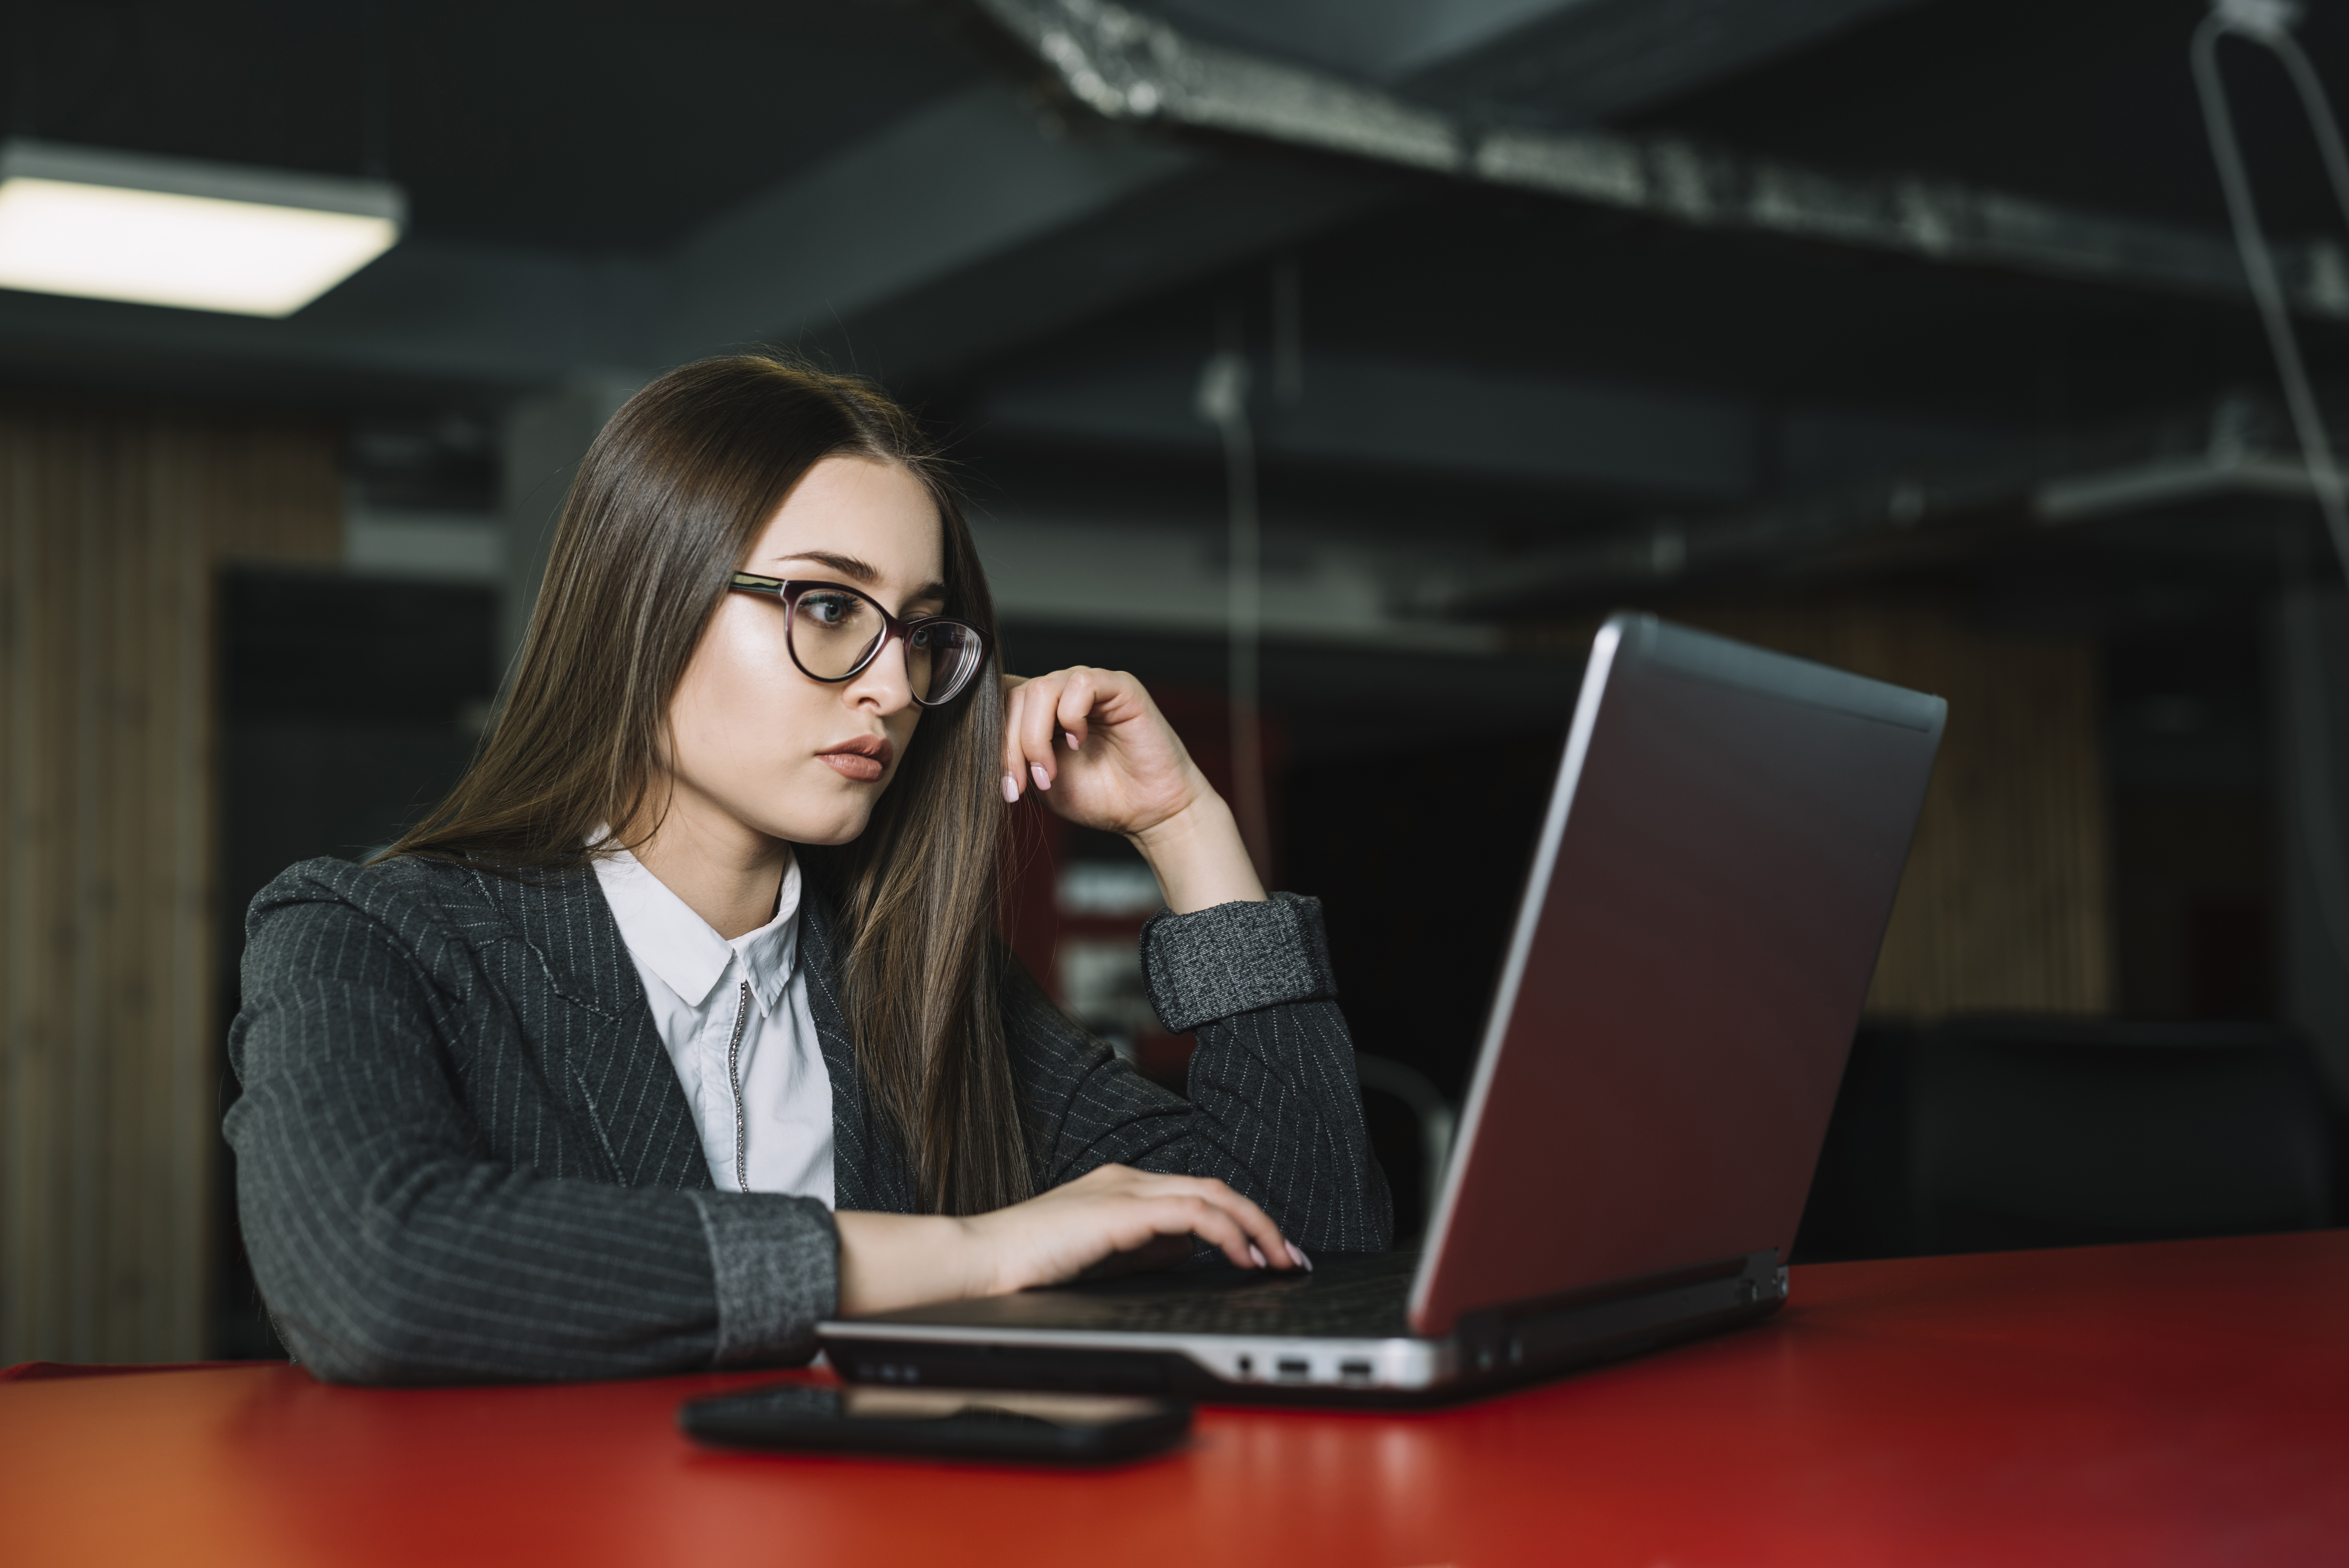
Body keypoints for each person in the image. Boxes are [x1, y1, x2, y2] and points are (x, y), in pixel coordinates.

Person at [225, 356, 1391, 1384]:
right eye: (828, 606)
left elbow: (1307, 1242)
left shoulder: (928, 985)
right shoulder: (367, 934)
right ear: (648, 605)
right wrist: (973, 1253)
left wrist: (1186, 828)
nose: (890, 687)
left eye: (921, 632)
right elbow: (368, 1271)